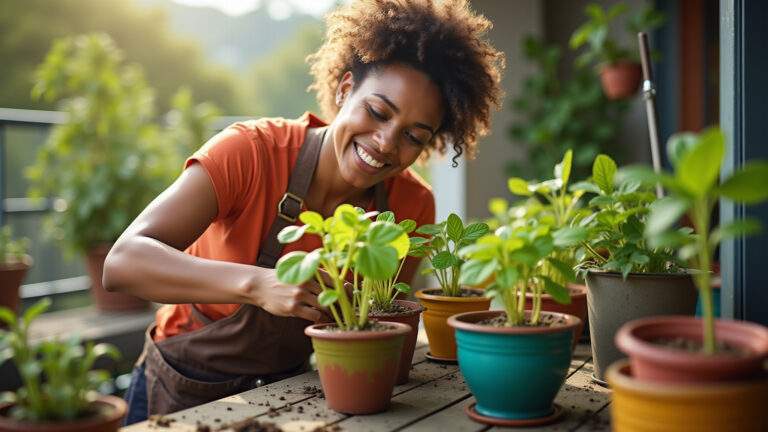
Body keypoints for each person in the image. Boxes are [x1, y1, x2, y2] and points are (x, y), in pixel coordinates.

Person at [105, 0, 504, 424]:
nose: (387, 143)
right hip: (182, 387)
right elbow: (122, 264)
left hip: (294, 395)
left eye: (413, 136)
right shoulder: (252, 151)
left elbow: (384, 325)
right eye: (377, 112)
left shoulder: (411, 206)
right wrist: (256, 284)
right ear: (345, 89)